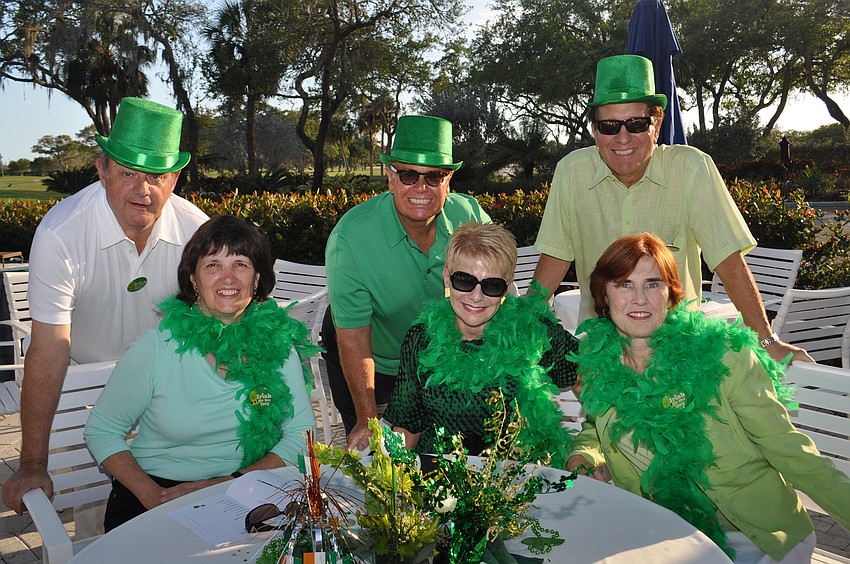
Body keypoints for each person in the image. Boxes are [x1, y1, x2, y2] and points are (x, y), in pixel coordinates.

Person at [566, 232, 850, 563]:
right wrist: (582, 455)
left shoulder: (724, 356)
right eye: (624, 284)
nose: (639, 298)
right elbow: (598, 427)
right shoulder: (600, 364)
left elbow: (791, 451)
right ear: (603, 295)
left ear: (670, 293)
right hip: (664, 531)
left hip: (752, 536)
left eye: (653, 284)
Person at [532, 54, 811, 364]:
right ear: (595, 130)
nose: (623, 137)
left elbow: (728, 262)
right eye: (609, 126)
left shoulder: (691, 168)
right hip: (600, 353)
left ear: (657, 124)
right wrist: (520, 327)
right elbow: (555, 257)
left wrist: (767, 340)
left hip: (678, 356)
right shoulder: (572, 171)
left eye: (637, 124)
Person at [3, 97, 209, 516]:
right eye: (128, 172)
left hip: (165, 387)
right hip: (80, 386)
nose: (142, 190)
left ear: (174, 178)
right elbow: (49, 345)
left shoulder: (197, 231)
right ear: (102, 170)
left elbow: (214, 325)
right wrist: (32, 463)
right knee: (93, 514)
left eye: (156, 175)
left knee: (178, 509)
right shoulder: (62, 233)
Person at [84, 215, 318, 530]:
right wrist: (153, 496)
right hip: (158, 490)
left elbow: (301, 432)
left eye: (240, 264)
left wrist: (229, 483)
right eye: (213, 265)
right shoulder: (157, 347)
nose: (228, 278)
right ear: (193, 279)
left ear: (257, 279)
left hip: (245, 487)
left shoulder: (278, 344)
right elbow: (102, 430)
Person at [323, 115, 491, 451]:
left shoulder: (469, 216)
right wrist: (367, 417)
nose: (420, 188)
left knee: (443, 453)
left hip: (440, 358)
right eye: (408, 175)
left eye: (434, 176)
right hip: (375, 360)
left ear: (448, 181)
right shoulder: (351, 238)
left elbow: (497, 285)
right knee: (379, 454)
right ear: (390, 178)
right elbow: (353, 335)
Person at [384, 223, 577, 467]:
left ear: (507, 287)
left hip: (520, 478)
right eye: (465, 281)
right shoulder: (421, 338)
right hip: (439, 474)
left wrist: (590, 449)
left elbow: (591, 375)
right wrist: (393, 475)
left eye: (492, 285)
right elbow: (409, 424)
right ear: (447, 277)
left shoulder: (533, 330)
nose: (476, 296)